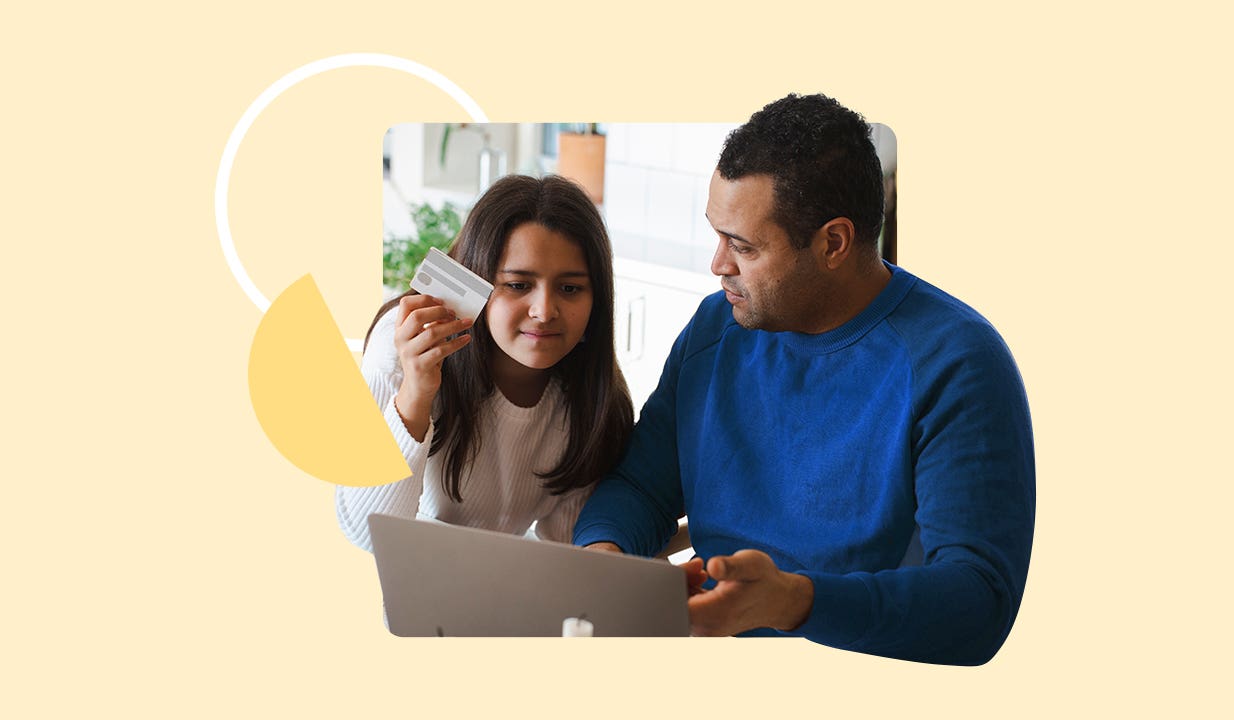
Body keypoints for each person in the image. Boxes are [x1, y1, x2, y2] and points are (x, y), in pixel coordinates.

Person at [573, 94, 1035, 665]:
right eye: (717, 235)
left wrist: (794, 603)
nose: (718, 264)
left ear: (833, 243)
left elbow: (977, 604)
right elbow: (641, 487)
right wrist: (603, 556)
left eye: (742, 246)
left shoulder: (957, 362)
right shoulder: (717, 327)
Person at [337, 174, 633, 552]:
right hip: (416, 590)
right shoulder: (401, 349)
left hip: (512, 593)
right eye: (518, 285)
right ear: (477, 282)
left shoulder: (593, 399)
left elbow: (569, 546)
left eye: (570, 288)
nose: (544, 312)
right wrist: (415, 394)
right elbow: (367, 535)